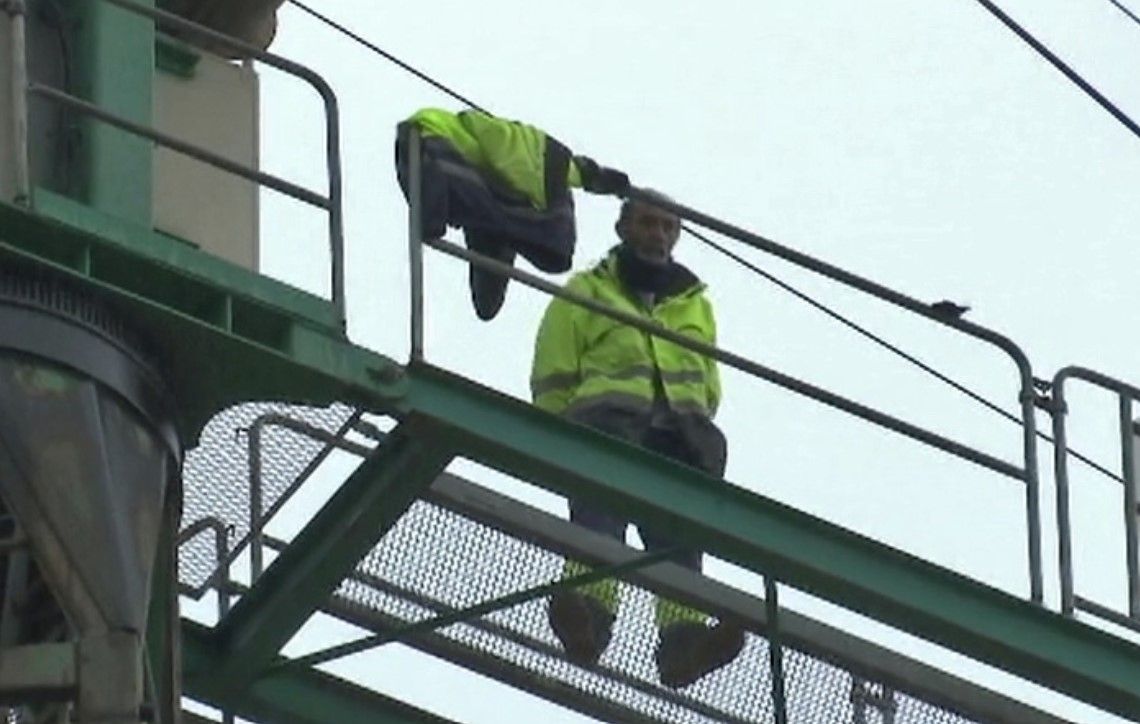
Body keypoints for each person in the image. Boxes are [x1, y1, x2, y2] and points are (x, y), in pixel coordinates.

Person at [529, 191, 744, 689]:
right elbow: (554, 371)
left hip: (680, 435)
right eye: (649, 223)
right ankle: (586, 620)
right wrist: (555, 435)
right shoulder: (585, 291)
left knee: (678, 542)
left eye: (669, 227)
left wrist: (697, 423)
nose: (659, 234)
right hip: (606, 424)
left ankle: (683, 644)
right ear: (624, 228)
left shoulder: (695, 304)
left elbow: (707, 377)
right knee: (600, 525)